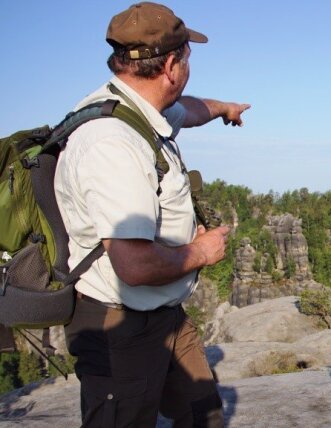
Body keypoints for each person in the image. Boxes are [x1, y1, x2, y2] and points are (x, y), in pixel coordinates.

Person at [53, 2, 250, 426]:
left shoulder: (141, 108)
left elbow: (189, 110)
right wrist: (202, 250)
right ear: (172, 66)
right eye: (188, 58)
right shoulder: (112, 142)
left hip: (161, 315)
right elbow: (135, 266)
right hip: (117, 325)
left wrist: (224, 108)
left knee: (204, 416)